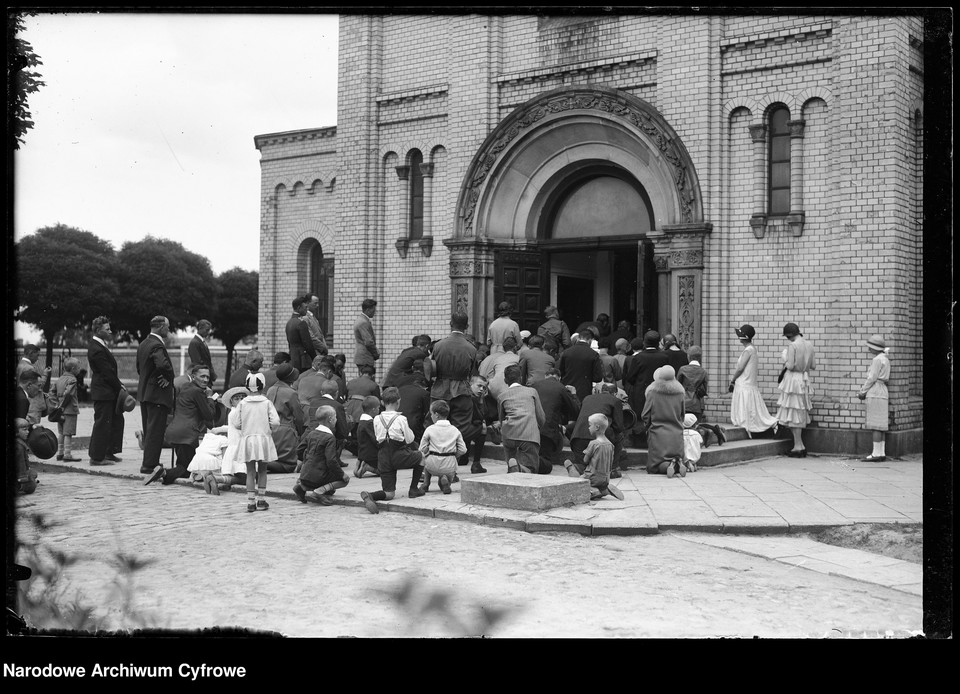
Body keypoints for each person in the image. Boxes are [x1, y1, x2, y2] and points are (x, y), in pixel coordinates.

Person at [144, 364, 216, 487]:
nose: (205, 380)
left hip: (175, 431)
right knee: (187, 468)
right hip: (187, 434)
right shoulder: (197, 392)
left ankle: (165, 473)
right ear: (193, 376)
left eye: (207, 377)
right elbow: (209, 415)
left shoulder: (185, 387)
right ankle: (164, 472)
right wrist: (209, 397)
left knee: (184, 464)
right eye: (202, 376)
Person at [361, 387, 426, 514]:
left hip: (383, 458)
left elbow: (378, 437)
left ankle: (370, 495)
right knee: (421, 456)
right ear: (398, 401)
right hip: (399, 455)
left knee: (389, 494)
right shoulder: (401, 419)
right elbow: (409, 439)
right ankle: (414, 489)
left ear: (382, 402)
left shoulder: (376, 419)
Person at [232, 372, 280, 512]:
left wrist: (244, 428)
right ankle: (261, 499)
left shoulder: (242, 403)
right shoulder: (266, 403)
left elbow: (236, 422)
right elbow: (275, 421)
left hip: (248, 439)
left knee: (250, 471)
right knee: (263, 470)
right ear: (263, 385)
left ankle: (251, 501)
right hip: (263, 438)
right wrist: (271, 429)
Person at [430, 312, 478, 446]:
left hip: (440, 390)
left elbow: (431, 369)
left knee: (436, 424)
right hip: (462, 391)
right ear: (467, 326)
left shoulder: (438, 345)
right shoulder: (472, 348)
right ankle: (456, 455)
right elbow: (471, 373)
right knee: (460, 427)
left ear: (451, 324)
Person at [87, 316, 128, 466]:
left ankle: (108, 452)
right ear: (98, 331)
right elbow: (106, 372)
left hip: (108, 391)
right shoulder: (96, 348)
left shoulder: (101, 345)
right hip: (103, 392)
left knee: (115, 421)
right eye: (107, 329)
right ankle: (96, 457)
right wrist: (119, 386)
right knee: (103, 423)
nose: (110, 331)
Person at [137, 315, 175, 475]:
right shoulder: (157, 345)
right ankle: (149, 464)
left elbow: (140, 369)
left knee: (149, 428)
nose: (169, 329)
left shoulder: (144, 343)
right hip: (157, 394)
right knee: (155, 431)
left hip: (145, 393)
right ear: (161, 327)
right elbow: (162, 365)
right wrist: (167, 378)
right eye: (167, 326)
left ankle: (150, 461)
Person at [728, 325, 779, 437]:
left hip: (744, 382)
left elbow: (740, 368)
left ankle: (748, 423)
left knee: (746, 406)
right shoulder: (752, 349)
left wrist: (733, 379)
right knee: (751, 406)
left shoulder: (748, 350)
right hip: (749, 383)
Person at [294, 405, 350, 506]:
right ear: (330, 419)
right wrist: (342, 474)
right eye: (335, 417)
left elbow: (299, 449)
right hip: (319, 476)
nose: (336, 420)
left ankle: (303, 487)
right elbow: (331, 461)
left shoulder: (311, 433)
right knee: (345, 480)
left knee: (329, 488)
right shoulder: (329, 438)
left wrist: (304, 462)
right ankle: (319, 491)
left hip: (304, 475)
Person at [496, 363, 546, 474]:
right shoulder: (532, 392)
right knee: (531, 469)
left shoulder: (502, 396)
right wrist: (536, 428)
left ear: (505, 380)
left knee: (511, 465)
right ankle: (521, 469)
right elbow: (541, 418)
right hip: (529, 434)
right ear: (521, 378)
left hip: (509, 435)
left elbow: (501, 418)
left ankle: (515, 468)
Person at [776, 322, 816, 457]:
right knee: (799, 412)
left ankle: (798, 446)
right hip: (804, 379)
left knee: (793, 413)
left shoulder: (792, 346)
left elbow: (791, 365)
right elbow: (813, 365)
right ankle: (799, 445)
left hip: (793, 380)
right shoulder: (809, 345)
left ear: (789, 335)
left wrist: (785, 358)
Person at [531, 367, 581, 475]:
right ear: (559, 378)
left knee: (535, 455)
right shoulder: (561, 388)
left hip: (530, 428)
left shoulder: (534, 385)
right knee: (546, 465)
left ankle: (524, 463)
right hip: (547, 430)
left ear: (546, 376)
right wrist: (573, 394)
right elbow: (576, 411)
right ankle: (528, 464)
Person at [568, 381, 624, 476]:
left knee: (583, 463)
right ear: (615, 393)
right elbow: (618, 427)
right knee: (620, 436)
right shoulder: (615, 400)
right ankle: (612, 468)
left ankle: (579, 467)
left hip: (577, 439)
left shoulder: (587, 398)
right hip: (598, 438)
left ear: (601, 391)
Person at [563, 413, 624, 500]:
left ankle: (592, 490)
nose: (588, 428)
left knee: (570, 467)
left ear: (597, 427)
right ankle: (604, 490)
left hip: (592, 478)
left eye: (590, 425)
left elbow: (585, 460)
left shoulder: (593, 444)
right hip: (605, 479)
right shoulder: (611, 445)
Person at [624, 330, 670, 445]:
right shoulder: (665, 356)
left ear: (644, 343)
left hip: (641, 393)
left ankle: (640, 441)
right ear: (659, 342)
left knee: (641, 418)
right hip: (660, 392)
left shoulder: (639, 357)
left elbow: (630, 377)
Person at [677, 345, 727, 447]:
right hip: (697, 402)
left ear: (688, 357)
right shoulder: (703, 372)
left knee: (684, 424)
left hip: (683, 401)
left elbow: (678, 386)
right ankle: (714, 430)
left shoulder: (682, 369)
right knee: (696, 423)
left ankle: (707, 432)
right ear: (700, 358)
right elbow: (705, 389)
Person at [642, 365, 686, 477]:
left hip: (658, 433)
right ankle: (677, 463)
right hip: (676, 433)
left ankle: (668, 466)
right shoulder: (680, 393)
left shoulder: (653, 392)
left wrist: (647, 426)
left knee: (654, 467)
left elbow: (645, 414)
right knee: (675, 456)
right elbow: (683, 414)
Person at [418, 400, 467, 494]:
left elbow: (422, 448)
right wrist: (454, 456)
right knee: (448, 472)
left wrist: (428, 453)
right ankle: (446, 481)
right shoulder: (455, 430)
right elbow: (463, 449)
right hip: (449, 465)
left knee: (425, 459)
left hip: (432, 464)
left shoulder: (430, 429)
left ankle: (426, 483)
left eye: (431, 413)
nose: (431, 416)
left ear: (436, 414)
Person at [265, 362, 306, 473]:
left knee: (275, 457)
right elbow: (299, 417)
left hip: (270, 430)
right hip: (286, 433)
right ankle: (264, 465)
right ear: (291, 377)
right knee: (289, 465)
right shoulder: (291, 393)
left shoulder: (270, 390)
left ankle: (264, 464)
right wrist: (302, 434)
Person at [858, 334, 891, 462]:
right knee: (881, 423)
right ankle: (881, 452)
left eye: (870, 347)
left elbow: (871, 378)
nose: (869, 349)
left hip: (875, 390)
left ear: (875, 348)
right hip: (883, 390)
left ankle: (876, 453)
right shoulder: (886, 358)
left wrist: (862, 391)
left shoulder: (877, 359)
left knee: (875, 424)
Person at [456, 375, 490, 474]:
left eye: (484, 388)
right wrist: (480, 401)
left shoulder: (472, 396)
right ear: (470, 384)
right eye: (479, 386)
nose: (481, 389)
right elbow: (481, 416)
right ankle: (476, 463)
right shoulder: (470, 398)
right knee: (483, 428)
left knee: (464, 460)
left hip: (462, 431)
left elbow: (485, 414)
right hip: (459, 432)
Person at [558, 329, 603, 402]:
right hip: (584, 391)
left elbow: (561, 372)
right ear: (590, 340)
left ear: (578, 338)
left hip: (567, 389)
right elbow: (598, 377)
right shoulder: (593, 354)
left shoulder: (566, 352)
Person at [51, 357, 81, 462]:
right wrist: (63, 404)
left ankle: (60, 453)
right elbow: (69, 393)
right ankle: (67, 454)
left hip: (60, 411)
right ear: (73, 369)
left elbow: (52, 392)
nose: (79, 370)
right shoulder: (72, 379)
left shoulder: (60, 379)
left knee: (61, 432)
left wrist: (57, 404)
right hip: (70, 410)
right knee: (68, 433)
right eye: (78, 368)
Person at [480, 335, 521, 400]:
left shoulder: (498, 359)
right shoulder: (518, 358)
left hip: (494, 390)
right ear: (515, 347)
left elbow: (490, 375)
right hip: (509, 390)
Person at [398, 371, 432, 444]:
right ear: (424, 386)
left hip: (396, 424)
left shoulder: (400, 389)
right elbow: (427, 413)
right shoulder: (424, 393)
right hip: (413, 427)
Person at [353, 395, 382, 479]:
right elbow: (375, 439)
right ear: (373, 410)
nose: (379, 410)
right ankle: (367, 467)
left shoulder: (361, 422)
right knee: (385, 471)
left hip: (362, 453)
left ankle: (358, 466)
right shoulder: (369, 423)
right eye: (378, 408)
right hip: (371, 455)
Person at [286, 297, 316, 371]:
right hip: (303, 360)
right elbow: (308, 344)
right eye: (305, 307)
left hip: (293, 358)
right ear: (299, 308)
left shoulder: (289, 322)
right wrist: (314, 357)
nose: (307, 309)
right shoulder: (301, 323)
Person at [353, 298, 380, 374]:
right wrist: (376, 353)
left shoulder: (361, 320)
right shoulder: (363, 322)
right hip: (365, 357)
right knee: (366, 381)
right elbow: (368, 342)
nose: (375, 312)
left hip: (363, 357)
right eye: (374, 310)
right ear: (368, 310)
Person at [188, 319, 218, 385]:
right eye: (207, 330)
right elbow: (197, 363)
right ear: (200, 328)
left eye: (209, 330)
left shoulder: (201, 342)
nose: (208, 332)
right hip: (202, 379)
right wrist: (208, 375)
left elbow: (208, 361)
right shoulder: (194, 343)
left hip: (206, 377)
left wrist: (212, 374)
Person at [14, 418, 38, 495]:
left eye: (28, 430)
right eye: (24, 430)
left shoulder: (19, 442)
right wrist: (23, 479)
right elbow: (21, 464)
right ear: (16, 431)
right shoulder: (19, 447)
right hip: (19, 476)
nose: (27, 432)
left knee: (34, 473)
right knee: (32, 486)